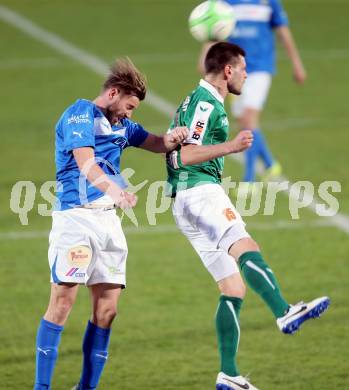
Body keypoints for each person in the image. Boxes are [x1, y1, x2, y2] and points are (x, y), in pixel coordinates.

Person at [167, 42, 329, 390]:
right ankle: (285, 311)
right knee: (244, 243)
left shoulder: (202, 100)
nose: (246, 74)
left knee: (233, 287)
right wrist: (233, 147)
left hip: (186, 200)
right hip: (199, 192)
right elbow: (185, 155)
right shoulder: (206, 102)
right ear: (228, 70)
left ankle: (228, 374)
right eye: (242, 68)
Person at [34, 58, 188, 390]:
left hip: (108, 223)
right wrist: (116, 190)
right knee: (62, 302)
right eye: (129, 106)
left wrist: (174, 137)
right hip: (76, 219)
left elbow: (157, 143)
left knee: (108, 311)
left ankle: (87, 387)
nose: (129, 114)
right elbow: (86, 164)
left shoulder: (122, 126)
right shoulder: (79, 114)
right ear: (113, 93)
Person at [199, 0, 307, 190]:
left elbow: (283, 32)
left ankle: (249, 180)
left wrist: (297, 63)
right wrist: (205, 55)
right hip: (234, 72)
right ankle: (270, 164)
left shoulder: (269, 2)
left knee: (248, 120)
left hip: (260, 69)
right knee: (245, 123)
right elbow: (215, 30)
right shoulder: (225, 3)